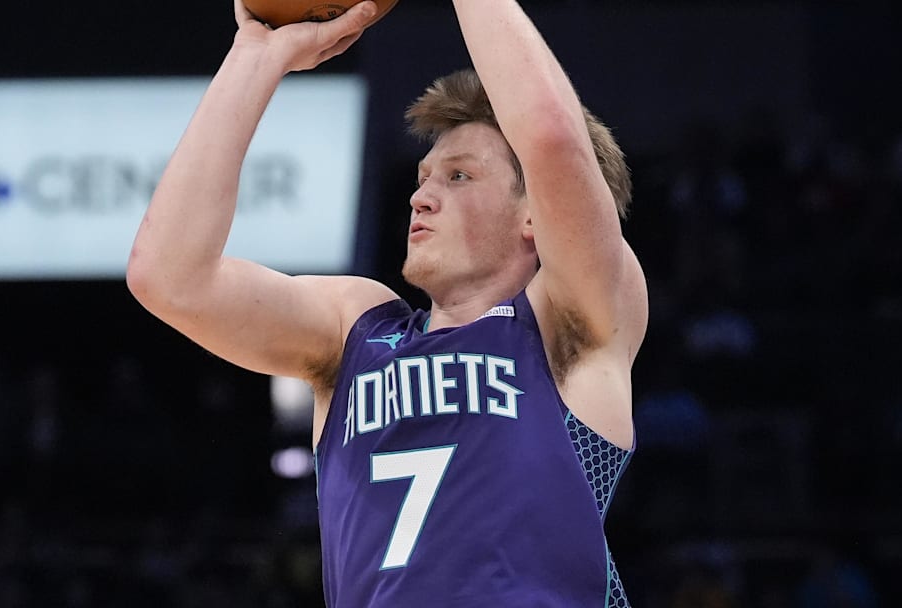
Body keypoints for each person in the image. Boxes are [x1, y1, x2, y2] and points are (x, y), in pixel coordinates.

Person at [127, 0, 648, 605]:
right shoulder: (357, 328)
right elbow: (169, 278)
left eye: (458, 176)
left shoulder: (570, 321)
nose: (421, 198)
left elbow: (554, 139)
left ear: (536, 215)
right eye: (422, 178)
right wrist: (256, 58)